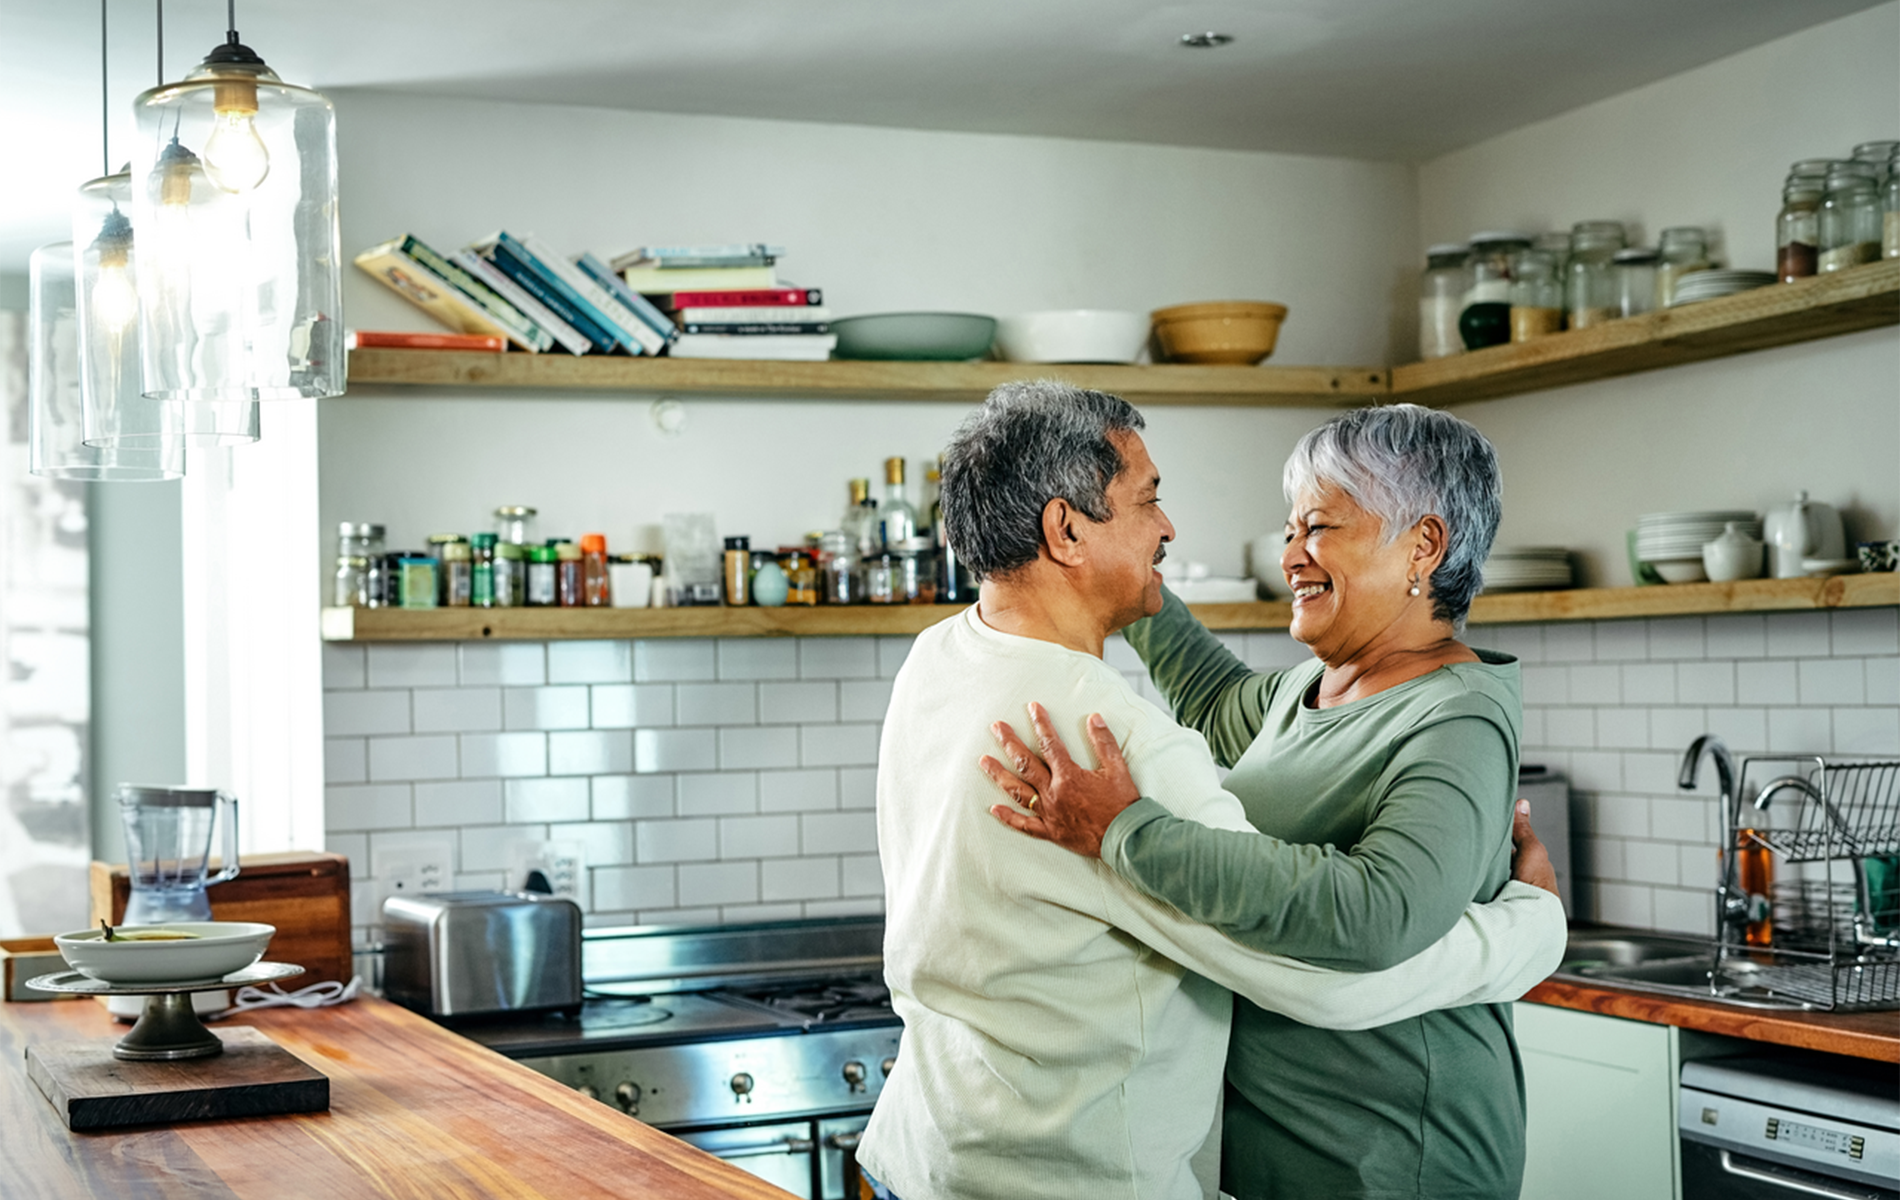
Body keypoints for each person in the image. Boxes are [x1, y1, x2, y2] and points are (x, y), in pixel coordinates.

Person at [855, 382, 1565, 1200]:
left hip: (1388, 1158)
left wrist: (1111, 570)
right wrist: (1532, 932)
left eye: (1318, 526)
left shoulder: (943, 655)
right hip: (1088, 1170)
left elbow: (1372, 920)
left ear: (1423, 547)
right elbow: (1310, 972)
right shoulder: (1130, 737)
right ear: (1065, 529)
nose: (1289, 552)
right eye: (1149, 503)